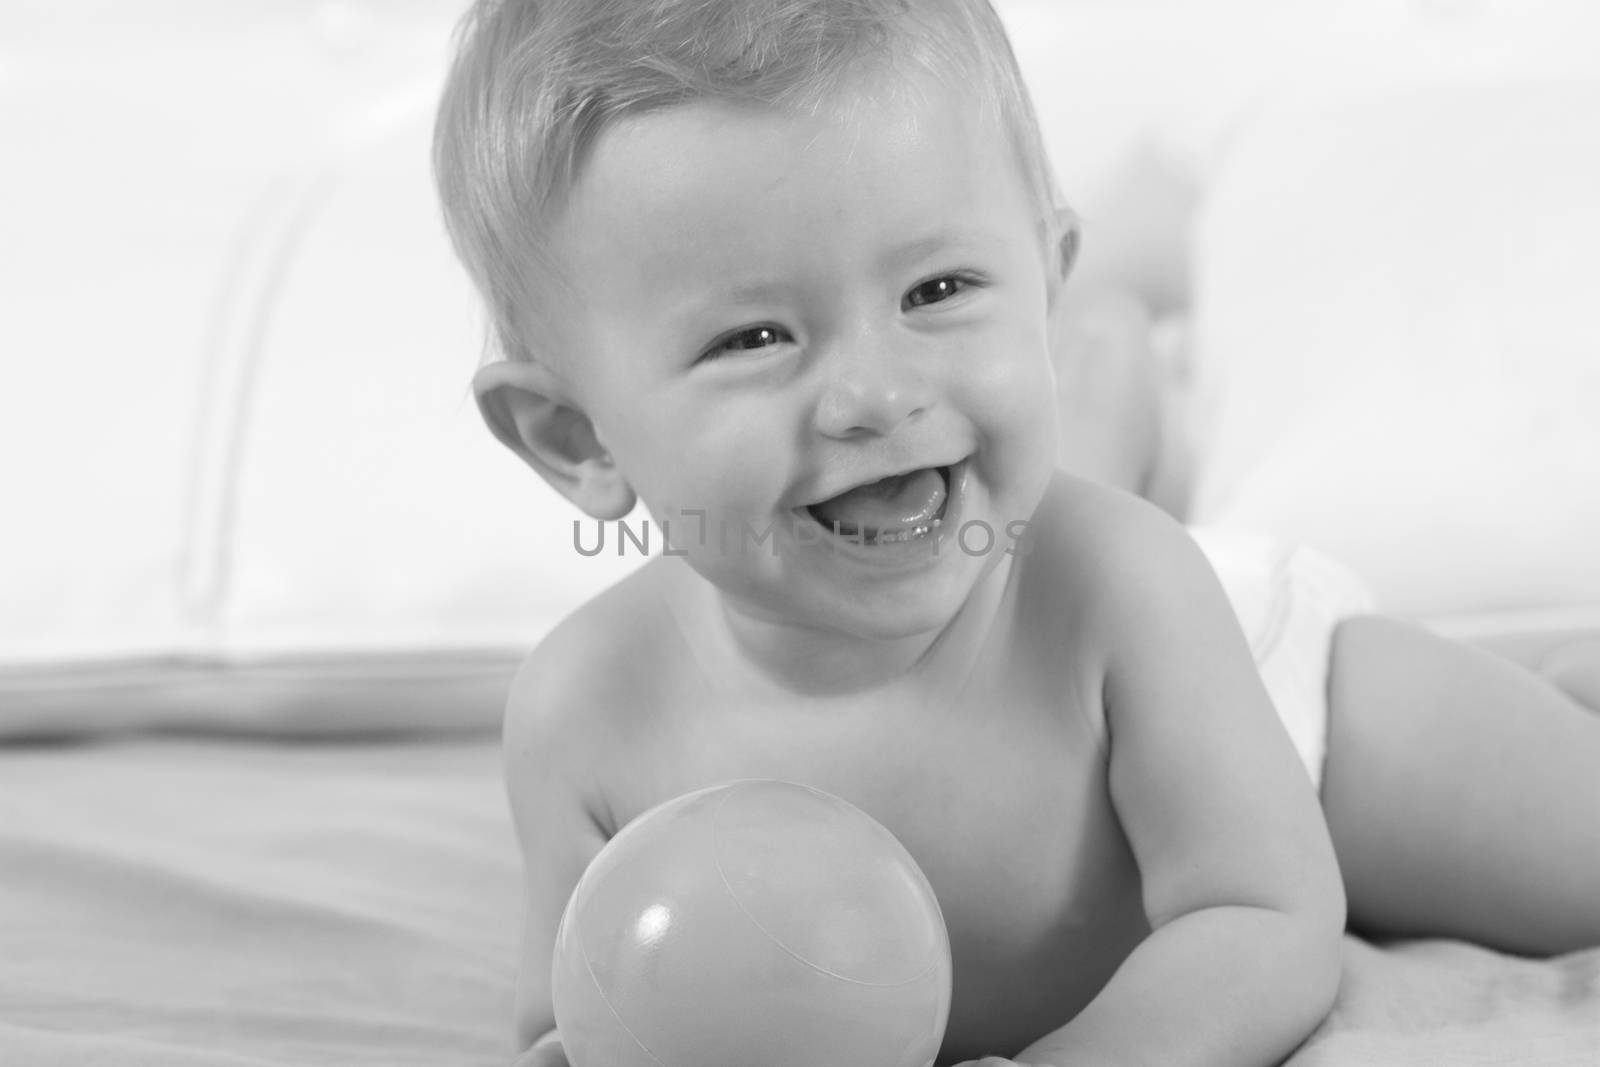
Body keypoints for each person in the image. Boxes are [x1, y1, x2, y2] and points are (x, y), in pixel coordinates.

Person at [430, 2, 1600, 1064]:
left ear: (1044, 275)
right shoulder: (584, 709)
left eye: (936, 290)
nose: (874, 395)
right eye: (753, 338)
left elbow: (1260, 916)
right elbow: (571, 1015)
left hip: (1263, 686)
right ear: (576, 433)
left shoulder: (1128, 586)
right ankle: (1115, 378)